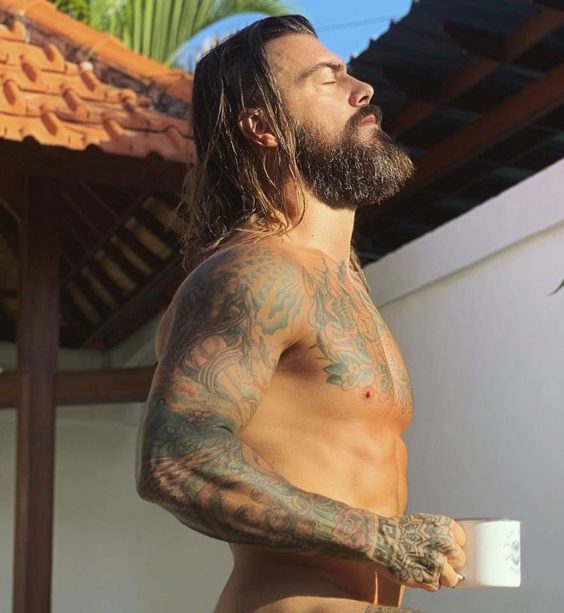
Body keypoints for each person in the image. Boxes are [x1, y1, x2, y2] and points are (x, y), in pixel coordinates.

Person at [134, 15, 466, 613]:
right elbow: (178, 456)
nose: (362, 89)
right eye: (327, 79)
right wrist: (384, 540)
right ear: (263, 127)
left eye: (349, 73)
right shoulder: (256, 272)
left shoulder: (341, 283)